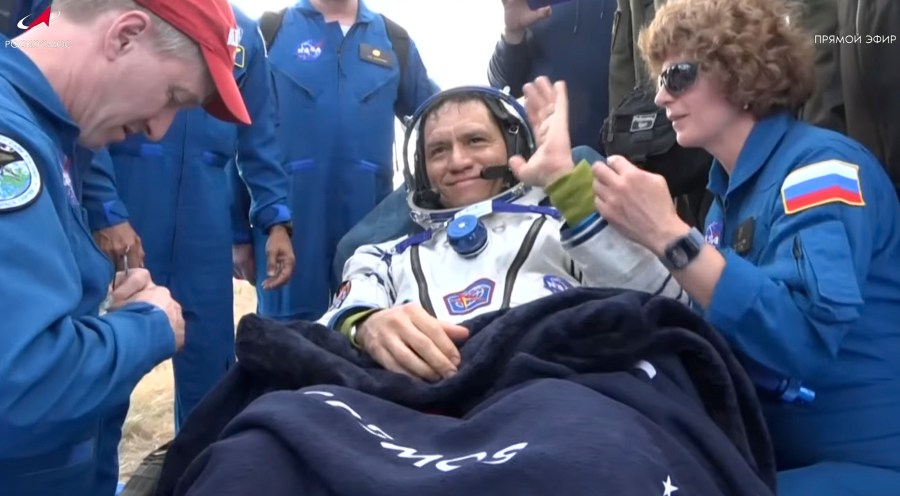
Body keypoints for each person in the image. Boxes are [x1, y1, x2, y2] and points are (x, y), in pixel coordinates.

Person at [587, 0, 900, 493]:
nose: (663, 98)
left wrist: (669, 234)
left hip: (866, 465)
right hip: (768, 459)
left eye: (679, 75)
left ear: (741, 69)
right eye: (659, 80)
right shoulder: (724, 202)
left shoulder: (819, 171)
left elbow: (804, 340)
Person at [0, 0, 248, 494]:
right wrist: (147, 327)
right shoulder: (12, 147)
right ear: (124, 35)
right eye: (173, 96)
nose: (159, 129)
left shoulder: (53, 139)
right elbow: (18, 391)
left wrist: (101, 319)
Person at [319, 84, 684, 381]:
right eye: (439, 150)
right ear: (421, 169)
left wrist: (566, 185)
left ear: (511, 149)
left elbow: (665, 304)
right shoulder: (383, 255)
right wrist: (366, 325)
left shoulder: (566, 226)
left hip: (561, 393)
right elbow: (328, 331)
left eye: (476, 141)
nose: (458, 161)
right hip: (428, 417)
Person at [103, 4, 295, 431]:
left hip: (203, 229)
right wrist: (105, 208)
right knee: (102, 369)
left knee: (211, 376)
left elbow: (260, 136)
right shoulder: (125, 10)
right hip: (124, 216)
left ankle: (198, 475)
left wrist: (276, 222)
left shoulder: (243, 34)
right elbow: (79, 112)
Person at [232, 0, 439, 322]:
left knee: (365, 331)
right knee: (287, 342)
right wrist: (238, 235)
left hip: (369, 227)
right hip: (287, 227)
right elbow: (239, 134)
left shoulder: (394, 40)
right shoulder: (268, 33)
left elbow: (439, 120)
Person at [488, 0, 615, 149]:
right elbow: (503, 86)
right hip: (546, 152)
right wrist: (513, 33)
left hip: (626, 151)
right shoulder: (535, 6)